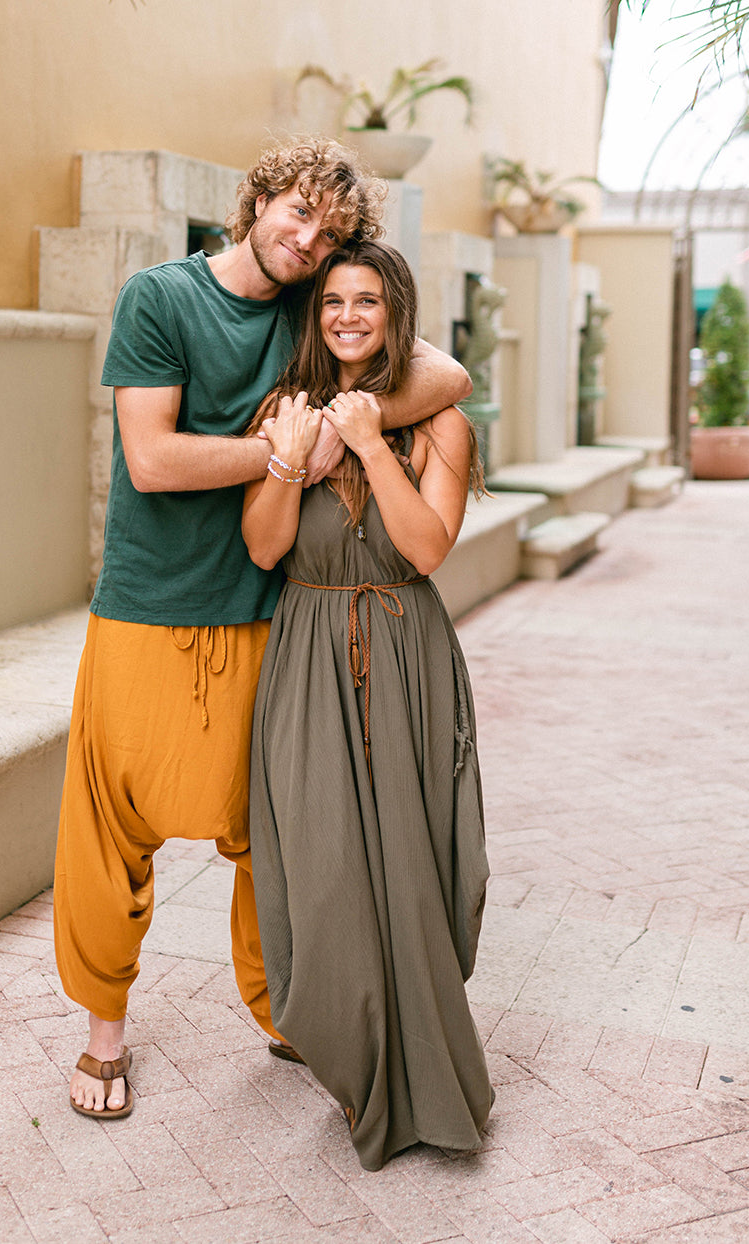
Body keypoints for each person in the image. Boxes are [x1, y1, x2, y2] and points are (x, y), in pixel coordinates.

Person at [52, 139, 472, 1118]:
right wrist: (274, 452)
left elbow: (442, 373)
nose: (307, 238)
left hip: (266, 607)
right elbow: (150, 461)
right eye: (295, 213)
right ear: (257, 202)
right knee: (110, 825)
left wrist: (322, 434)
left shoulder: (311, 303)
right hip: (149, 602)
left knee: (271, 828)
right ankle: (103, 1035)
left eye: (327, 230)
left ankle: (280, 1005)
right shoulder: (159, 299)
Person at [242, 241, 493, 1170]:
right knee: (323, 864)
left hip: (404, 653)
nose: (349, 316)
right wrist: (288, 460)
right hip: (307, 655)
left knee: (419, 862)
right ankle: (350, 1048)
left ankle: (429, 1069)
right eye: (335, 301)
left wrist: (366, 444)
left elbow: (427, 548)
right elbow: (266, 549)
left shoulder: (441, 427)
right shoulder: (285, 413)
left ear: (397, 315)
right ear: (317, 315)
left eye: (370, 302)